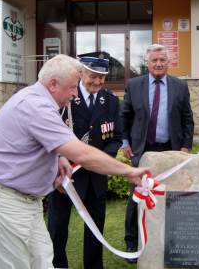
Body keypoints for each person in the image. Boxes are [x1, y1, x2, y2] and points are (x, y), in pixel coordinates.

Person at [0, 54, 150, 269]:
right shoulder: (36, 106)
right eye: (73, 87)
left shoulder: (41, 100)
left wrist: (59, 158)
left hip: (24, 200)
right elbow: (82, 154)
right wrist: (128, 172)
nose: (75, 94)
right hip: (4, 198)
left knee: (44, 261)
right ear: (53, 84)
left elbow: (42, 143)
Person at [121, 44, 194, 262]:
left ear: (169, 62)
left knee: (171, 196)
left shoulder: (180, 86)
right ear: (148, 63)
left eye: (163, 60)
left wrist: (185, 147)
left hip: (171, 150)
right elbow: (125, 116)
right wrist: (125, 142)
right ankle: (132, 244)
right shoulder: (134, 85)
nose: (159, 64)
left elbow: (187, 119)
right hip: (142, 150)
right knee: (137, 197)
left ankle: (168, 240)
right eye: (154, 60)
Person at [47, 52, 121, 269]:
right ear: (81, 73)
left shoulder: (111, 101)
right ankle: (57, 265)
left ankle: (94, 265)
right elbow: (51, 137)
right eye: (93, 76)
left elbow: (116, 138)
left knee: (96, 226)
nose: (98, 81)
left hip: (96, 177)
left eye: (102, 77)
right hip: (66, 176)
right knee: (58, 226)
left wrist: (102, 160)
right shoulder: (65, 98)